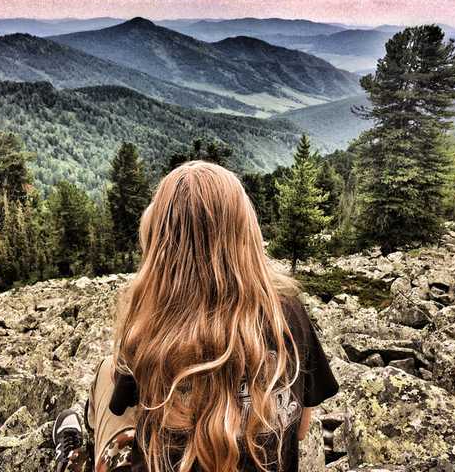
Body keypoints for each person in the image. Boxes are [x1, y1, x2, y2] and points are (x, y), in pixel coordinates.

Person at [52, 161, 339, 472]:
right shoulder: (288, 311)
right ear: (246, 232)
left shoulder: (150, 322)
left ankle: (72, 456)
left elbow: (122, 404)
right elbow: (301, 429)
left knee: (110, 377)